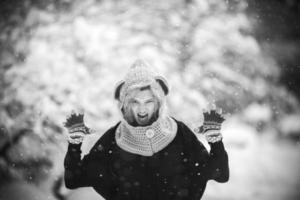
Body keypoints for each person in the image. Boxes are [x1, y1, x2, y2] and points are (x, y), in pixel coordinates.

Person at [63, 60, 229, 200]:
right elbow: (75, 179)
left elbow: (220, 174)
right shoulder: (113, 139)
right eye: (135, 102)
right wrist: (74, 144)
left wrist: (215, 142)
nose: (142, 110)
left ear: (158, 102)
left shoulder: (179, 133)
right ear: (125, 104)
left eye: (148, 102)